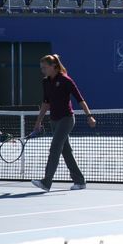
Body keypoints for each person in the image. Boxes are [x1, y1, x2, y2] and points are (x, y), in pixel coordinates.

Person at [31, 54, 96, 192]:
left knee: (54, 148)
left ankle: (46, 182)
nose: (42, 70)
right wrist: (38, 121)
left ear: (53, 66)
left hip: (66, 119)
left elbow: (80, 99)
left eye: (44, 67)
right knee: (66, 151)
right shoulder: (45, 82)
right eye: (41, 68)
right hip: (54, 120)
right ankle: (80, 181)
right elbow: (45, 102)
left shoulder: (66, 80)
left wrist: (89, 116)